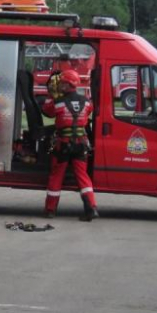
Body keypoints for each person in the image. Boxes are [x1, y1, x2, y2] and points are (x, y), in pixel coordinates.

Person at [42, 69, 98, 221]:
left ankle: (50, 210)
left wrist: (50, 94)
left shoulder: (58, 103)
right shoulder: (87, 102)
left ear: (67, 85)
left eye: (61, 83)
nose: (59, 85)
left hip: (63, 145)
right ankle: (91, 208)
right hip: (81, 144)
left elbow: (46, 111)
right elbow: (89, 112)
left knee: (56, 176)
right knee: (83, 176)